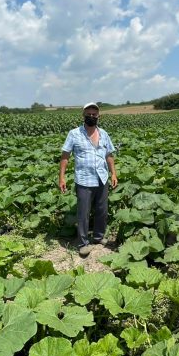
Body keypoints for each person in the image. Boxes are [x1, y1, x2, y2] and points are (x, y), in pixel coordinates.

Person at [59, 102, 118, 258]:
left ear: (99, 116)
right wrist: (62, 177)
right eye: (88, 114)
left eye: (94, 114)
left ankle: (98, 237)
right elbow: (65, 156)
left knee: (102, 210)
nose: (91, 116)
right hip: (84, 180)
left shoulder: (104, 134)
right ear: (83, 115)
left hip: (102, 178)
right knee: (83, 213)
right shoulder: (74, 134)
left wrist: (113, 173)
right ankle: (83, 243)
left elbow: (109, 155)